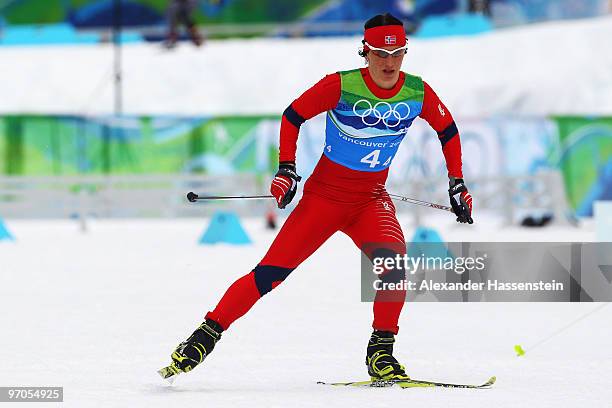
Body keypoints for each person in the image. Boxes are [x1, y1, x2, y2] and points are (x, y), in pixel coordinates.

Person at [166, 13, 473, 381]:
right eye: (379, 53)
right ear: (365, 52)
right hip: (323, 200)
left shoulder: (417, 92)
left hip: (370, 201)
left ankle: (381, 353)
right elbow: (292, 116)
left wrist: (457, 182)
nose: (389, 63)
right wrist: (286, 169)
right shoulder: (339, 86)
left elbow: (448, 129)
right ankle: (207, 333)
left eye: (397, 54)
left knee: (394, 266)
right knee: (270, 275)